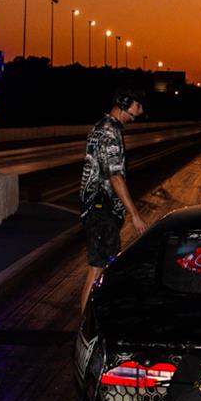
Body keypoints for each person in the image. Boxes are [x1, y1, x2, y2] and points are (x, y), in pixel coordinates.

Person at [78, 91, 147, 311]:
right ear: (124, 104)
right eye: (137, 106)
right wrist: (135, 215)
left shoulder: (105, 127)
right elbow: (115, 177)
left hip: (101, 208)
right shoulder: (108, 132)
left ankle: (93, 319)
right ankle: (84, 326)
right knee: (97, 268)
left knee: (104, 267)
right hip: (101, 208)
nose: (139, 112)